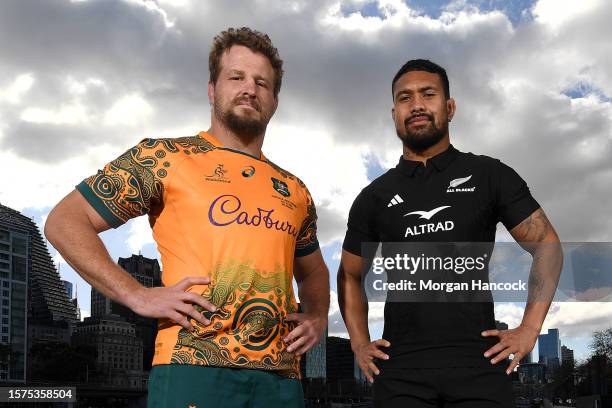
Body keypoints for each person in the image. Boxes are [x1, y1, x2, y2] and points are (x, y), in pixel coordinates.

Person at [45, 27, 329, 408]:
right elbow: (65, 221)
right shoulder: (164, 157)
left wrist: (318, 316)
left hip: (282, 377)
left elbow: (312, 271)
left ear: (274, 100)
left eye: (262, 82)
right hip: (192, 365)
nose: (250, 88)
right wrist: (137, 295)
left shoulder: (294, 189)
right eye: (236, 77)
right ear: (212, 89)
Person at [337, 59, 562, 407]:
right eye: (405, 97)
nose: (416, 105)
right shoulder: (373, 197)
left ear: (450, 107)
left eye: (428, 94)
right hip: (400, 371)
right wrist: (358, 343)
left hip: (480, 364)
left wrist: (529, 328)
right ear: (394, 112)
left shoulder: (490, 175)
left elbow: (547, 244)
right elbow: (350, 275)